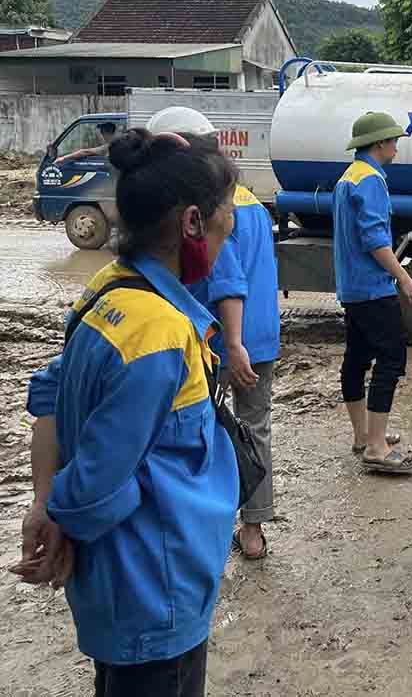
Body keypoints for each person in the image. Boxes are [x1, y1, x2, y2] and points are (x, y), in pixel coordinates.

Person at [14, 127, 239, 696]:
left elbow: (49, 400)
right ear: (192, 223)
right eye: (222, 228)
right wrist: (64, 514)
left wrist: (45, 501)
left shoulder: (106, 290)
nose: (223, 243)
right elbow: (95, 484)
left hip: (124, 589)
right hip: (155, 587)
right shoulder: (159, 333)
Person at [150, 107, 281, 561]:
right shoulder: (248, 199)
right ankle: (254, 528)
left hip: (221, 339)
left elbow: (227, 278)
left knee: (202, 429)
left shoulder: (207, 206)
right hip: (258, 334)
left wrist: (232, 344)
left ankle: (207, 526)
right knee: (254, 427)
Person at [335, 111, 412, 475]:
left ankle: (364, 435)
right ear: (379, 144)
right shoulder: (370, 180)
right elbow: (375, 239)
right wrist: (404, 278)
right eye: (393, 140)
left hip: (352, 287)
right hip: (373, 288)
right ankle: (375, 446)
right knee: (391, 358)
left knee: (356, 358)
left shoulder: (349, 177)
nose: (396, 146)